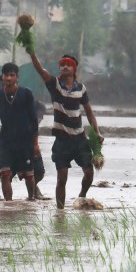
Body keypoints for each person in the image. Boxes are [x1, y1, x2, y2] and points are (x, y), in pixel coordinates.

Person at [26, 50, 104, 209]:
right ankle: (60, 211)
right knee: (62, 178)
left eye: (69, 65)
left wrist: (97, 131)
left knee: (89, 172)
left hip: (80, 138)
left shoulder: (81, 89)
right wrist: (32, 53)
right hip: (62, 140)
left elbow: (89, 111)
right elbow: (41, 70)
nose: (65, 67)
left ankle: (82, 196)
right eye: (62, 65)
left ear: (74, 69)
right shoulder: (55, 86)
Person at [0, 63, 39, 201]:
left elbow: (34, 120)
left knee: (29, 175)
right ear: (2, 77)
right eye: (6, 75)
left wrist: (35, 144)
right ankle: (8, 207)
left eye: (12, 75)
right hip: (5, 142)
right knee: (4, 174)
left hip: (24, 141)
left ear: (17, 77)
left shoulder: (26, 94)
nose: (9, 78)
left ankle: (31, 199)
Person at [0, 75, 49, 200]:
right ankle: (9, 202)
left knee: (39, 171)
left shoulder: (29, 101)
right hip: (9, 144)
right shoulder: (0, 100)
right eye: (3, 84)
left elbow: (36, 120)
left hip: (27, 143)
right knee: (6, 173)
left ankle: (33, 190)